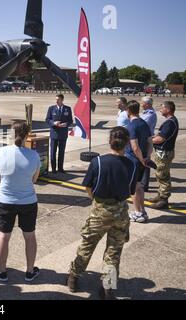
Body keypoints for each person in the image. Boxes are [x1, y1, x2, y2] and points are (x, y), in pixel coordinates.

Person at [67, 127, 137, 300]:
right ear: (127, 143)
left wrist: (97, 200)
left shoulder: (98, 162)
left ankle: (73, 278)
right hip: (120, 212)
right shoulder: (131, 164)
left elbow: (88, 188)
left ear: (110, 140)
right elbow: (131, 190)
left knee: (87, 245)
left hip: (100, 210)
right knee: (113, 252)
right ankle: (107, 288)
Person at [0, 121, 41, 283]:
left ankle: (2, 271)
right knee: (29, 236)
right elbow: (34, 179)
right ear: (27, 135)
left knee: (3, 236)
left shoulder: (1, 151)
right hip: (28, 201)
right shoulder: (33, 155)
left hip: (6, 200)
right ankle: (29, 272)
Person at [125, 101, 153, 223]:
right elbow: (150, 142)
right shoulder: (144, 124)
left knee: (134, 188)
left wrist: (141, 160)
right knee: (139, 186)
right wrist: (147, 157)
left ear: (128, 111)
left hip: (134, 161)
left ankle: (137, 213)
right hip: (143, 160)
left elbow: (135, 147)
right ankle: (142, 210)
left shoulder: (132, 125)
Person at [148, 101, 179, 209]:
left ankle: (163, 199)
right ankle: (160, 195)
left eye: (162, 107)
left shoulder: (170, 123)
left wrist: (148, 139)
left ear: (168, 109)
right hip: (164, 152)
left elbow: (160, 139)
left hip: (164, 153)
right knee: (161, 174)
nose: (160, 109)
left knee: (163, 176)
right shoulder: (170, 121)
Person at [45, 94, 73, 174]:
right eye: (56, 99)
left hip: (63, 134)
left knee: (61, 152)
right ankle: (53, 169)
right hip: (54, 134)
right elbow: (47, 120)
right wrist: (54, 123)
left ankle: (60, 168)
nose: (56, 101)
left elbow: (70, 121)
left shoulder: (67, 109)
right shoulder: (51, 108)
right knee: (53, 152)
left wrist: (66, 124)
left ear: (62, 100)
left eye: (58, 99)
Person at [140, 97, 158, 192]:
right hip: (144, 139)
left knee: (145, 161)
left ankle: (144, 185)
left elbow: (142, 124)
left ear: (147, 104)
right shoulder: (146, 113)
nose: (141, 104)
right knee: (142, 161)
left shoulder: (150, 114)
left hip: (146, 140)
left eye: (142, 103)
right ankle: (142, 183)